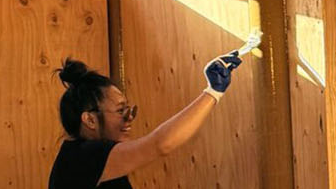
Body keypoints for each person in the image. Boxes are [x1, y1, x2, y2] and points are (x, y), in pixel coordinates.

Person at [47, 50, 245, 188]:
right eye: (120, 111)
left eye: (129, 110)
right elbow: (161, 144)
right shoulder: (84, 158)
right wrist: (213, 92)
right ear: (89, 120)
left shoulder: (87, 158)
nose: (129, 119)